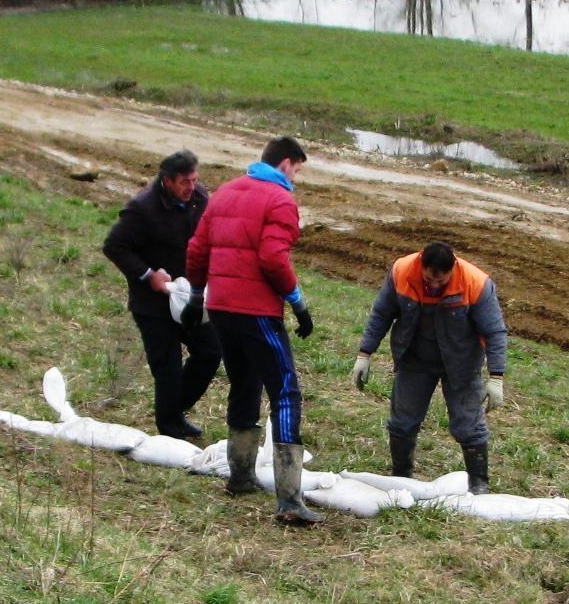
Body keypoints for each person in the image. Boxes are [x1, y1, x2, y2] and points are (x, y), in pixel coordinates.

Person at [185, 135, 321, 526]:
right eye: (297, 169)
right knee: (285, 392)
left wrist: (197, 295)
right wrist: (297, 302)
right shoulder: (280, 200)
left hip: (221, 307)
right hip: (257, 310)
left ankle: (241, 476)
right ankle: (290, 499)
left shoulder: (225, 192)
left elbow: (197, 249)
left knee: (243, 383)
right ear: (285, 164)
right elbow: (273, 257)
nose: (296, 177)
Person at [351, 239, 507, 494]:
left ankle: (479, 484)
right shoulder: (401, 271)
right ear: (420, 264)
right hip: (416, 359)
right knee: (402, 422)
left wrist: (496, 376)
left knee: (468, 426)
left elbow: (495, 331)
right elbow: (382, 313)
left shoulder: (476, 283)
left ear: (453, 269)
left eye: (441, 282)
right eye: (428, 280)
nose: (434, 286)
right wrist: (364, 353)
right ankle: (401, 477)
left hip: (461, 364)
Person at [101, 149, 222, 440]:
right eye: (184, 182)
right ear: (167, 181)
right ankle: (169, 429)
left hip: (188, 297)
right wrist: (148, 274)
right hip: (152, 303)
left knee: (210, 351)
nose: (191, 187)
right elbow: (114, 246)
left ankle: (171, 409)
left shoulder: (198, 199)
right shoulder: (142, 208)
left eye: (194, 180)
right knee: (167, 366)